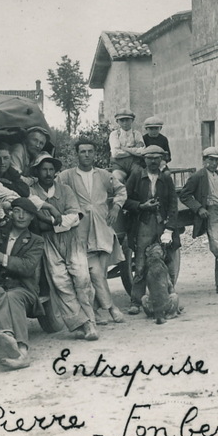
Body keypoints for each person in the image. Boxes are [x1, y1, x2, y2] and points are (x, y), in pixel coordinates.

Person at [28, 153, 100, 341]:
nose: (48, 173)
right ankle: (81, 324)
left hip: (72, 240)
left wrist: (49, 222)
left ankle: (90, 321)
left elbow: (75, 217)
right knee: (61, 284)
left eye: (51, 169)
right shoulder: (32, 192)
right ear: (37, 171)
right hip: (47, 243)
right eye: (44, 169)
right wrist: (56, 220)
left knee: (82, 279)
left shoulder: (65, 190)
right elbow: (33, 217)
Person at [58, 138, 128, 324]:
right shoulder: (67, 176)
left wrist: (116, 207)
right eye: (83, 151)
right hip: (80, 232)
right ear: (77, 154)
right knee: (92, 272)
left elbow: (121, 191)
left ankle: (97, 310)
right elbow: (54, 190)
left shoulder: (104, 175)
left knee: (101, 272)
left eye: (90, 151)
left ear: (95, 154)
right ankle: (111, 308)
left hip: (103, 229)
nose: (87, 155)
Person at [0, 197, 44, 370]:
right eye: (17, 211)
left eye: (26, 213)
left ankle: (22, 352)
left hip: (22, 288)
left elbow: (26, 267)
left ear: (32, 217)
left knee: (13, 296)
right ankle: (6, 336)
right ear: (11, 213)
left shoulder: (36, 241)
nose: (21, 216)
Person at [123, 145, 181, 315]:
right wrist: (141, 206)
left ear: (161, 159)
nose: (154, 161)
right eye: (150, 158)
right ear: (144, 159)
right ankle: (136, 301)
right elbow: (124, 200)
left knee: (168, 261)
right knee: (140, 264)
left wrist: (169, 228)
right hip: (144, 225)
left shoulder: (166, 178)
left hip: (162, 224)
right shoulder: (136, 176)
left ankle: (168, 298)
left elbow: (172, 205)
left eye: (157, 158)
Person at [179, 146, 218, 295]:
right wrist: (199, 208)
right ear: (204, 160)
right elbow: (184, 195)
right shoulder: (198, 176)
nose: (214, 163)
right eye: (211, 160)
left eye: (217, 160)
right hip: (212, 213)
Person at [109, 111, 146, 183]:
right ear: (117, 121)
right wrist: (134, 151)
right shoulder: (114, 134)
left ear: (132, 120)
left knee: (140, 174)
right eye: (122, 120)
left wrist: (124, 148)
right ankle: (121, 194)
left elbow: (142, 151)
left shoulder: (137, 134)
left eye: (127, 120)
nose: (125, 123)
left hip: (134, 164)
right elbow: (115, 153)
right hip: (119, 165)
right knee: (117, 178)